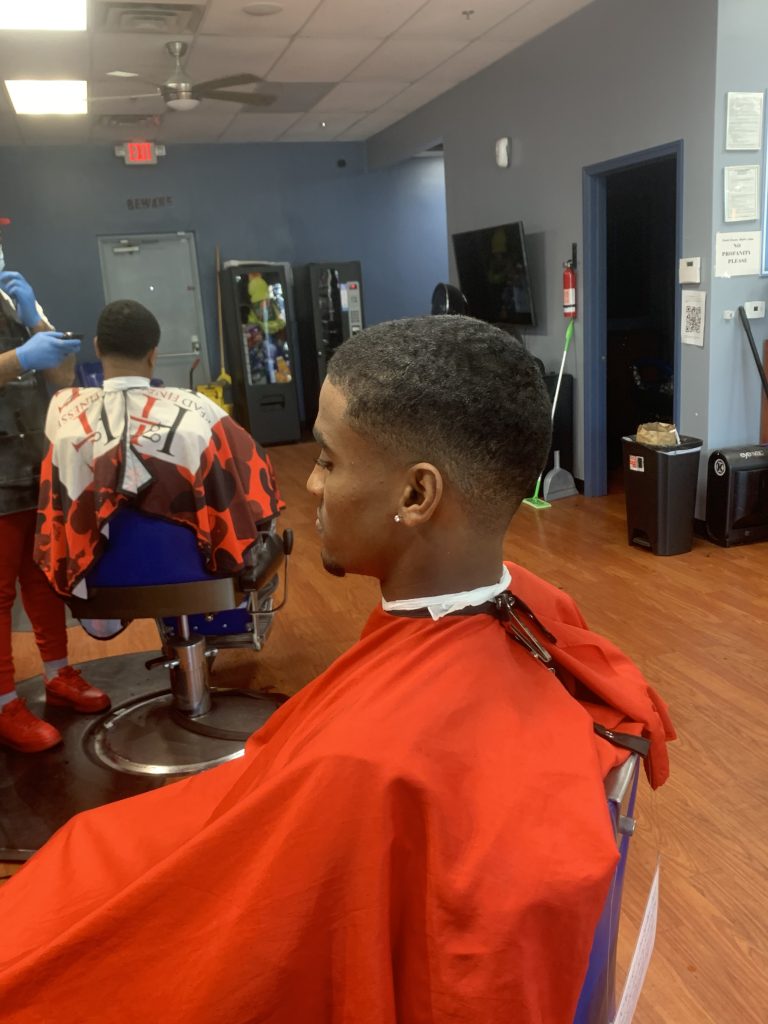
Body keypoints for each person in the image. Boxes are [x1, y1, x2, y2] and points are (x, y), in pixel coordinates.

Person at [0, 316, 675, 1023]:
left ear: (416, 496)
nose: (311, 487)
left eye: (327, 460)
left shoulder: (368, 764)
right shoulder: (536, 605)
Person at [35, 299, 283, 604]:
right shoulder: (198, 410)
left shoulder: (64, 411)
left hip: (98, 576)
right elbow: (257, 475)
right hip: (198, 571)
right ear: (154, 354)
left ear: (98, 348)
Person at [0, 268, 110, 755]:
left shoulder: (12, 304)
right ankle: (5, 703)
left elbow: (62, 377)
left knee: (43, 580)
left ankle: (56, 674)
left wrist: (36, 324)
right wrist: (21, 356)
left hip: (31, 468)